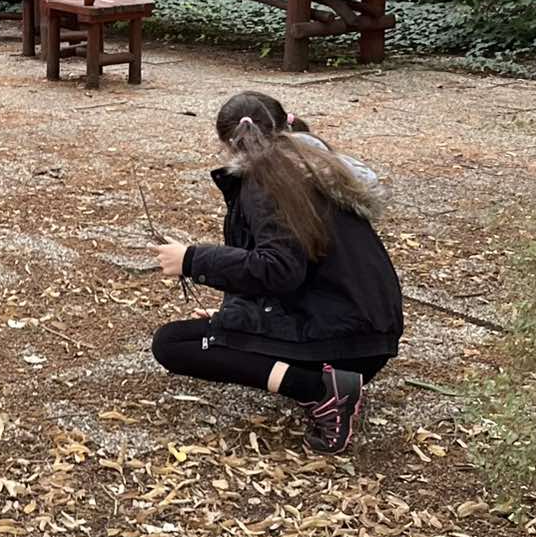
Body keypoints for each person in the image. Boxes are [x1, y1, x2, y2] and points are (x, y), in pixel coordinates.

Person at [149, 89, 403, 451]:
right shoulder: (314, 164)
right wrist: (237, 316)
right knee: (202, 334)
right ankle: (326, 381)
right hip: (367, 333)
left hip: (344, 340)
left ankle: (319, 390)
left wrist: (192, 259)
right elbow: (298, 267)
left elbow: (280, 269)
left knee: (172, 343)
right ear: (285, 125)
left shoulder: (266, 183)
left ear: (227, 144)